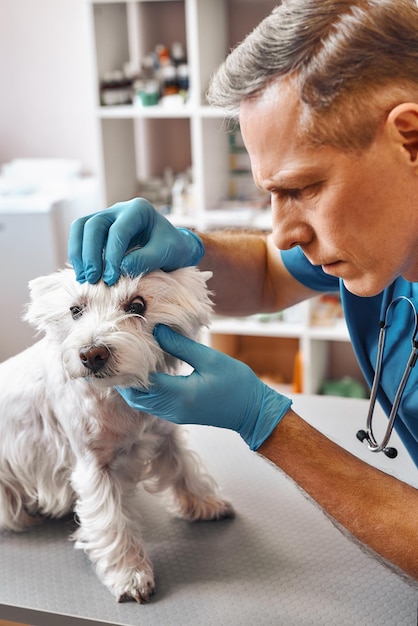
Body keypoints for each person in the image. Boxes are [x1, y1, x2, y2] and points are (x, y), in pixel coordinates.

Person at [68, 0, 418, 582]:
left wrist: (267, 424)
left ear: (409, 138)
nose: (282, 230)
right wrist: (187, 247)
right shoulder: (382, 244)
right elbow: (264, 270)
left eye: (304, 187)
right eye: (270, 194)